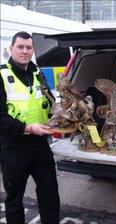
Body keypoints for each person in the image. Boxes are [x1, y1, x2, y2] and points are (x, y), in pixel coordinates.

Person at [0, 31, 60, 224]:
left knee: (50, 194)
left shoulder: (38, 74)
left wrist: (60, 115)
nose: (25, 51)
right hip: (13, 147)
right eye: (20, 47)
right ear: (11, 49)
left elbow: (50, 104)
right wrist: (28, 128)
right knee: (14, 199)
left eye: (28, 47)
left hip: (41, 145)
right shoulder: (2, 75)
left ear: (33, 50)